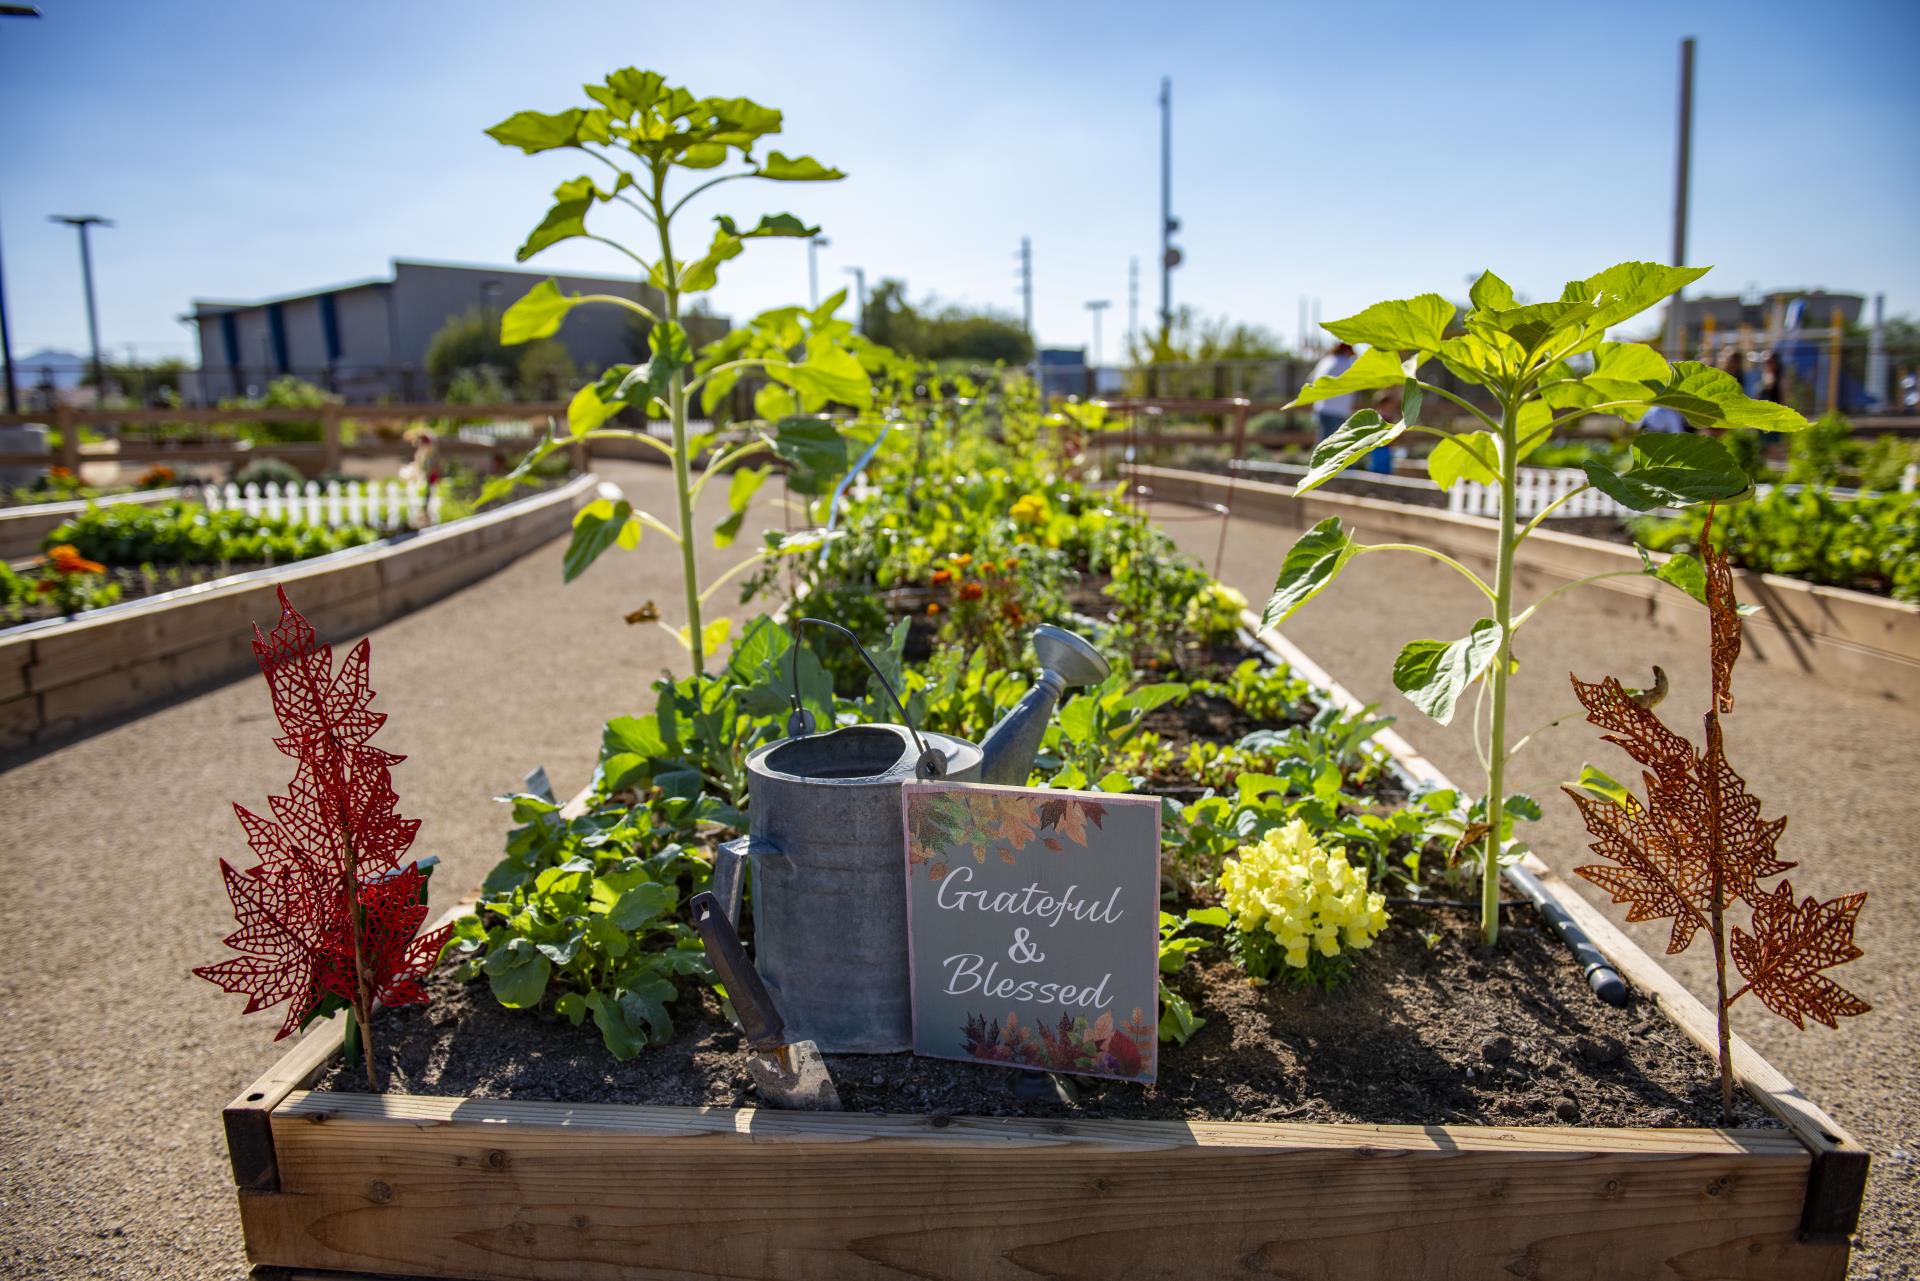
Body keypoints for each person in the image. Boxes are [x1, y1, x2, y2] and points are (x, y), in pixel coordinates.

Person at [1308, 342, 1358, 443]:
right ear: (1347, 351)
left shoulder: (1326, 361)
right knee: (1334, 444)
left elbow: (1311, 380)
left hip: (1322, 407)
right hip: (1338, 410)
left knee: (1324, 443)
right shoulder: (1345, 363)